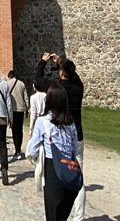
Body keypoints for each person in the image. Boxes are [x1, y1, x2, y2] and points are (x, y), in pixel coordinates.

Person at [35, 53, 86, 220]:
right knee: (75, 175)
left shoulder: (56, 88)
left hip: (57, 137)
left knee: (57, 174)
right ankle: (78, 217)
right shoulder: (78, 89)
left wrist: (43, 61)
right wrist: (61, 63)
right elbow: (76, 78)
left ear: (61, 73)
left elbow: (38, 79)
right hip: (76, 136)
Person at [27, 83, 81, 221]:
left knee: (52, 214)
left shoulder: (42, 122)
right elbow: (75, 147)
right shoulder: (70, 122)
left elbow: (32, 150)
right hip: (70, 169)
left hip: (53, 168)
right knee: (63, 215)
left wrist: (37, 160)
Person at [29, 80, 48, 192]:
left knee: (36, 148)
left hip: (38, 122)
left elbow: (33, 113)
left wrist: (31, 128)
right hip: (47, 120)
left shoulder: (33, 97)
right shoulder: (46, 95)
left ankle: (38, 169)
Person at [7, 69, 29, 160]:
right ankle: (19, 149)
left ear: (9, 76)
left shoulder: (7, 84)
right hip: (21, 110)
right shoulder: (21, 84)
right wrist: (27, 108)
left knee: (14, 130)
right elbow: (26, 97)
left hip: (12, 110)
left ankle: (17, 150)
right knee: (20, 130)